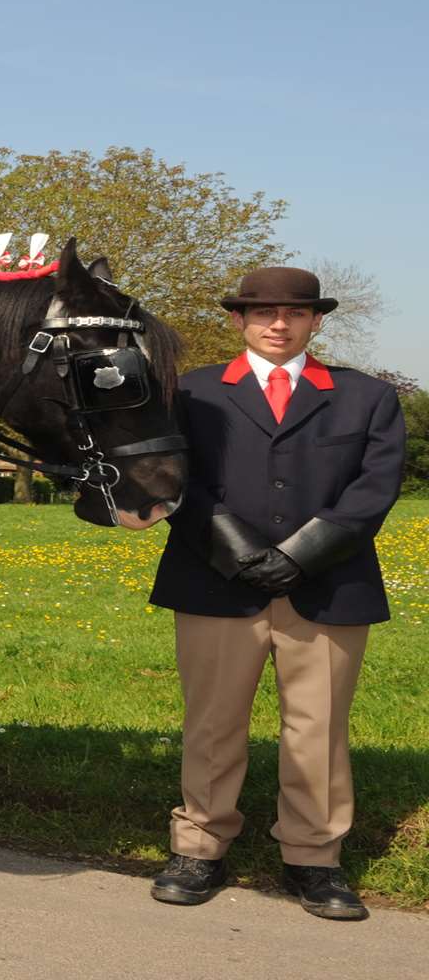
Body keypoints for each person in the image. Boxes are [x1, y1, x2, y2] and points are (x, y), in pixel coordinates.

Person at [147, 266, 405, 920]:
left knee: (318, 729)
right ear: (238, 319)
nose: (278, 323)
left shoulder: (368, 397)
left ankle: (314, 859)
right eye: (262, 312)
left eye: (294, 313)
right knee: (212, 723)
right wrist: (239, 551)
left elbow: (373, 491)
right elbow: (173, 481)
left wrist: (299, 558)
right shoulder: (193, 392)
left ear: (317, 320)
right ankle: (199, 847)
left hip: (328, 588)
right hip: (214, 581)